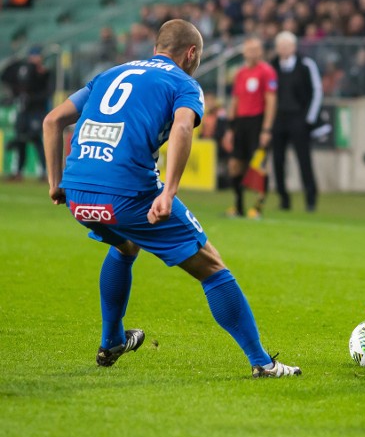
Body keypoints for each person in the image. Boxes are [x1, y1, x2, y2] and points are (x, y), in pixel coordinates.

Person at [41, 19, 300, 378]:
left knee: (126, 245)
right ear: (191, 53)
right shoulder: (183, 82)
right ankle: (263, 363)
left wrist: (56, 182)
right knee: (212, 267)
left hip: (79, 195)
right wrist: (169, 191)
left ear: (156, 48)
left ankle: (112, 339)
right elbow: (181, 127)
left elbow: (53, 120)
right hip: (128, 193)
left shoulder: (110, 73)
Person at [222, 36, 277, 218]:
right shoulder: (240, 73)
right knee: (235, 165)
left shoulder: (267, 72)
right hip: (241, 123)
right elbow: (235, 100)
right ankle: (238, 206)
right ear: (244, 52)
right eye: (249, 49)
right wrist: (230, 128)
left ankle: (258, 207)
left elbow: (271, 101)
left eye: (255, 49)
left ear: (260, 51)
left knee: (258, 166)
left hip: (258, 122)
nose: (252, 53)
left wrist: (266, 129)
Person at [270, 31, 321, 212]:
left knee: (304, 160)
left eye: (286, 46)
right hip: (279, 119)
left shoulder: (306, 64)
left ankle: (311, 198)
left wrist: (308, 119)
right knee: (277, 160)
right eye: (280, 46)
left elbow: (316, 91)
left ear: (294, 47)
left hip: (299, 118)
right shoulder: (272, 66)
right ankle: (283, 198)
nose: (283, 50)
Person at [2, 46, 51, 179]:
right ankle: (18, 172)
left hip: (37, 111)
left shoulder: (44, 72)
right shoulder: (23, 69)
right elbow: (7, 77)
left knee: (36, 139)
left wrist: (31, 96)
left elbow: (46, 91)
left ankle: (45, 172)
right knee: (21, 140)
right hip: (24, 110)